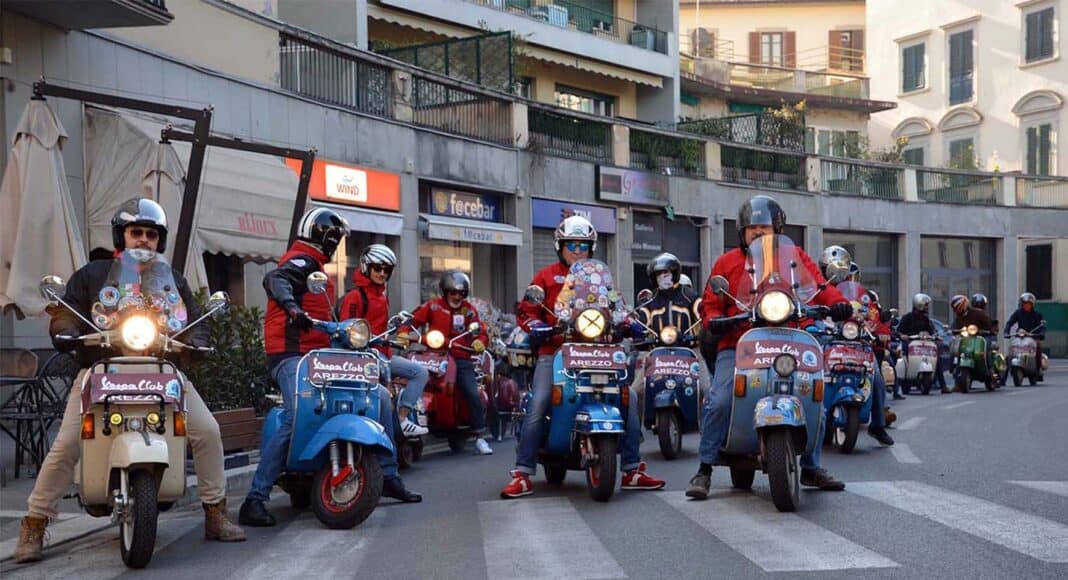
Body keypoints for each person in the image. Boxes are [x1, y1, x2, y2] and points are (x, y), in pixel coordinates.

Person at [14, 198, 245, 564]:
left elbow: (195, 320)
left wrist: (198, 341)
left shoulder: (173, 281)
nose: (143, 240)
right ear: (122, 235)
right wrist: (64, 329)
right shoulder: (93, 274)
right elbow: (66, 310)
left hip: (161, 370)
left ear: (159, 240)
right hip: (102, 370)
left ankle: (215, 512)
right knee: (67, 442)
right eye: (136, 232)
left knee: (208, 432)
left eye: (151, 234)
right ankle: (35, 522)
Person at [239, 209, 420, 528]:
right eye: (335, 238)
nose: (336, 244)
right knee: (296, 414)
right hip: (290, 354)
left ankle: (388, 475)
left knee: (378, 394)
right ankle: (256, 498)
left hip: (320, 354)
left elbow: (333, 323)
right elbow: (275, 280)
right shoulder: (301, 260)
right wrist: (293, 308)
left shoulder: (318, 271)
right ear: (326, 237)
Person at [686, 196, 851, 500]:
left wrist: (838, 303)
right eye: (752, 228)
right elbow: (711, 302)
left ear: (777, 228)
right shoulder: (727, 263)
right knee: (721, 399)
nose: (758, 233)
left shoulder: (795, 257)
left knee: (814, 393)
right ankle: (704, 469)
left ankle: (812, 466)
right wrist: (714, 320)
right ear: (742, 231)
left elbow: (819, 286)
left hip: (788, 339)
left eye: (764, 227)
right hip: (738, 344)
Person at [500, 216, 665, 498]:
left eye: (583, 245)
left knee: (629, 397)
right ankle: (523, 472)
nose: (577, 250)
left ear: (591, 249)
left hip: (598, 351)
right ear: (560, 246)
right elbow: (527, 310)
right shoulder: (545, 277)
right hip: (555, 352)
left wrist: (631, 322)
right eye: (572, 244)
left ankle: (632, 469)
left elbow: (617, 305)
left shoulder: (601, 279)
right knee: (540, 401)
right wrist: (538, 326)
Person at [339, 244, 430, 438]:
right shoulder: (355, 296)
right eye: (377, 268)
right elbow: (347, 329)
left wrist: (396, 326)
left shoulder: (382, 296)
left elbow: (381, 327)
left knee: (420, 372)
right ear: (366, 267)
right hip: (362, 359)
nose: (382, 273)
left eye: (386, 270)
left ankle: (403, 418)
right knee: (383, 396)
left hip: (384, 356)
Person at [404, 270, 494, 455]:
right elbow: (415, 320)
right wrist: (405, 331)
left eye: (460, 293)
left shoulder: (469, 310)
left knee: (472, 392)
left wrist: (479, 341)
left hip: (461, 357)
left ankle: (479, 435)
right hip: (434, 355)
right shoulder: (433, 306)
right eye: (452, 292)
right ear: (445, 292)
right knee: (412, 383)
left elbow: (480, 331)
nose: (456, 296)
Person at [816, 247, 893, 446]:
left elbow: (872, 315)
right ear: (823, 269)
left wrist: (879, 328)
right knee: (807, 374)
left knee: (876, 377)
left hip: (856, 342)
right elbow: (805, 311)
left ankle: (877, 425)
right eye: (832, 269)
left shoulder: (862, 295)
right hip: (825, 341)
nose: (838, 275)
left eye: (842, 270)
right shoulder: (815, 289)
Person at [1004, 292, 1046, 381]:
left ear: (1032, 304)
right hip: (1020, 336)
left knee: (1038, 347)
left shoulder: (1037, 315)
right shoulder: (1018, 313)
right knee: (1009, 352)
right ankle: (1004, 376)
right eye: (1025, 304)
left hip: (1033, 337)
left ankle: (1038, 370)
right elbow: (1010, 322)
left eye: (1029, 304)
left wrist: (1041, 334)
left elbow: (1042, 326)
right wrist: (1006, 331)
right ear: (1021, 304)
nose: (1027, 306)